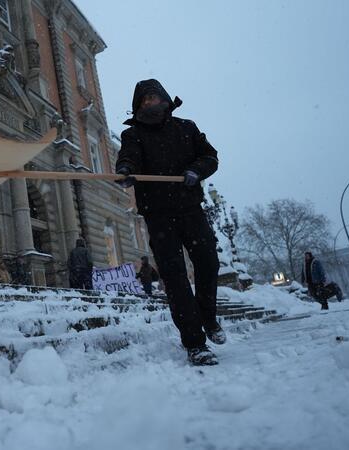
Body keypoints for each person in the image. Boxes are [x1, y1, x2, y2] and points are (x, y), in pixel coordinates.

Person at [115, 79, 225, 366]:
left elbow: (210, 157)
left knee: (208, 262)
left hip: (190, 208)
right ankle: (195, 343)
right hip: (158, 214)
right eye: (145, 100)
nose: (151, 103)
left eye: (155, 97)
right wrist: (126, 170)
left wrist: (195, 170)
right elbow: (128, 158)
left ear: (164, 99)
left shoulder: (186, 128)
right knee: (174, 278)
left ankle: (209, 318)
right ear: (138, 106)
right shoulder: (133, 135)